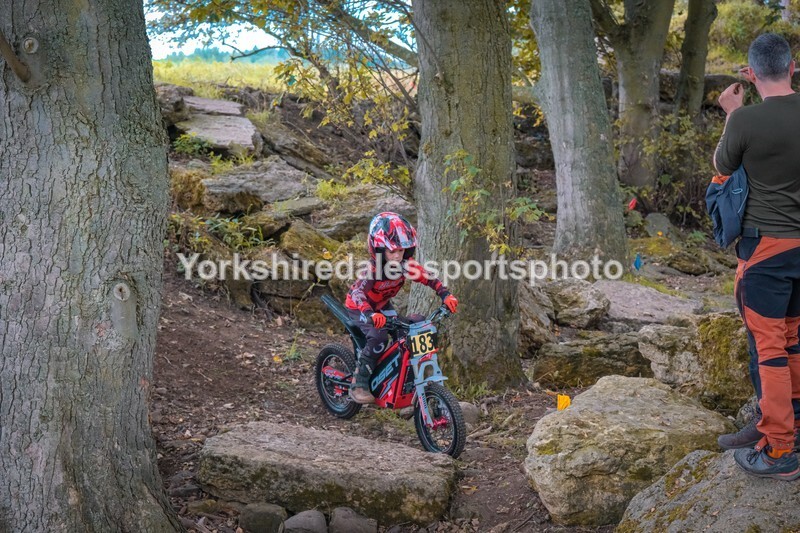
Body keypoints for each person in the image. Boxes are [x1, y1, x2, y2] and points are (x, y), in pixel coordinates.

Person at [714, 33, 800, 480]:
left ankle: (781, 450)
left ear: (749, 73)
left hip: (765, 250)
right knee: (793, 341)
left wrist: (732, 114)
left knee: (769, 349)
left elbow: (723, 167)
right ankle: (790, 425)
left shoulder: (745, 120)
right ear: (792, 67)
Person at [344, 212, 458, 404]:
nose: (397, 255)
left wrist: (445, 295)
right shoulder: (373, 270)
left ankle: (400, 381)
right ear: (379, 249)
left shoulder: (406, 265)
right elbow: (357, 294)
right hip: (360, 308)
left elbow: (429, 278)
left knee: (411, 331)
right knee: (378, 337)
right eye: (391, 251)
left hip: (382, 306)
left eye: (401, 250)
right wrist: (369, 313)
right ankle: (359, 384)